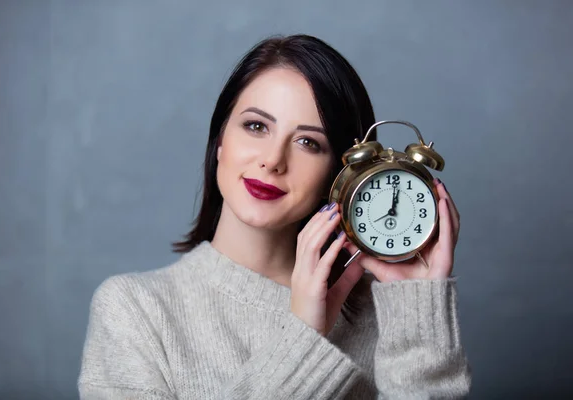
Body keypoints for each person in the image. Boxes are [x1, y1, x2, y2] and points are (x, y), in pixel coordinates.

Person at [78, 34, 471, 399]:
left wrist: (416, 308)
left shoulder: (383, 313)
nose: (273, 160)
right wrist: (303, 335)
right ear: (220, 141)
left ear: (338, 172)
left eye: (307, 142)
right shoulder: (134, 311)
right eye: (255, 126)